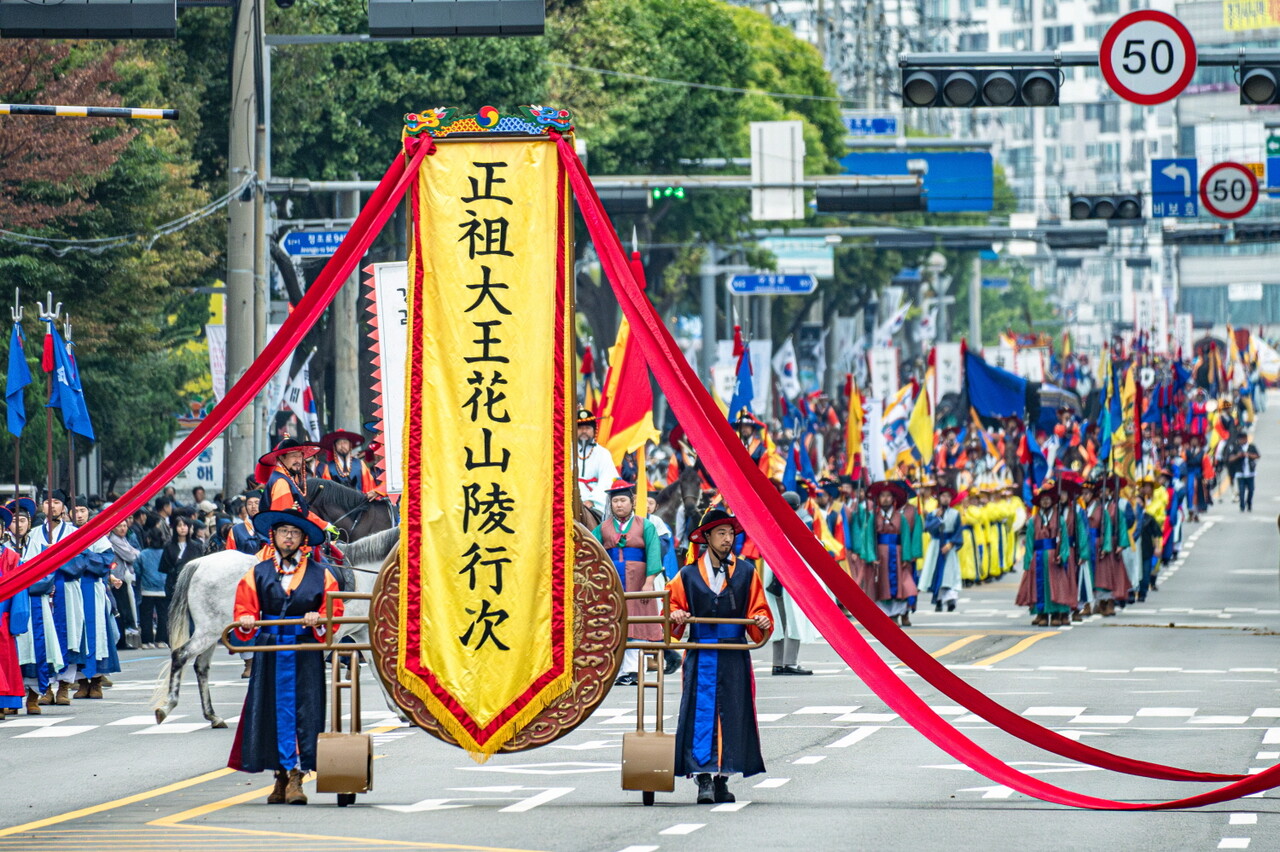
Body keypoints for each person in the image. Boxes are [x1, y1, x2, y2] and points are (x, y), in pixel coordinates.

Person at [228, 508, 344, 806]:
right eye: (283, 532)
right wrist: (246, 620)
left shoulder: (323, 573)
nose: (288, 537)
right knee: (268, 710)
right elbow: (244, 605)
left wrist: (318, 617)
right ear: (274, 536)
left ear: (304, 539)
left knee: (306, 711)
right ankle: (279, 775)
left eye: (294, 533)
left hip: (305, 650)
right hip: (271, 650)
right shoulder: (258, 571)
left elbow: (335, 610)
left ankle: (297, 776)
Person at [667, 507, 771, 805]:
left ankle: (723, 778)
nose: (728, 539)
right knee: (701, 713)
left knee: (733, 712)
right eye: (721, 533)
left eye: (730, 533)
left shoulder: (747, 571)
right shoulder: (686, 574)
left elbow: (759, 609)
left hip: (734, 653)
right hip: (701, 652)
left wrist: (760, 621)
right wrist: (676, 614)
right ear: (707, 537)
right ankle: (703, 779)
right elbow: (670, 607)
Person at [589, 479, 663, 686]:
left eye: (623, 500)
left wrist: (649, 582)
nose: (619, 505)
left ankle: (633, 669)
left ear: (631, 502)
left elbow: (654, 553)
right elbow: (590, 549)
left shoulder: (645, 525)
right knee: (615, 622)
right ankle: (620, 669)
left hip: (638, 580)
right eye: (615, 501)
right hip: (612, 581)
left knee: (637, 622)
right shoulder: (603, 528)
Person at [24, 490, 83, 706]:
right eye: (48, 502)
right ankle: (46, 686)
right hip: (43, 594)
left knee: (70, 636)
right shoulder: (35, 534)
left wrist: (56, 557)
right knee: (46, 637)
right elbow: (27, 564)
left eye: (57, 502)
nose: (52, 506)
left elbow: (80, 563)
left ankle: (65, 686)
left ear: (63, 507)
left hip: (67, 590)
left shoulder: (73, 533)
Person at [765, 493, 815, 675]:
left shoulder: (770, 522)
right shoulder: (800, 524)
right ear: (798, 505)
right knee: (794, 620)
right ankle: (790, 663)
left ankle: (777, 663)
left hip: (772, 578)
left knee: (779, 621)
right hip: (791, 577)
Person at [1015, 480, 1076, 627]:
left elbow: (1064, 541)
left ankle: (1055, 613)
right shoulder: (1033, 521)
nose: (1045, 502)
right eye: (1043, 500)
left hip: (1053, 558)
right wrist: (1028, 560)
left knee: (1056, 586)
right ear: (1039, 502)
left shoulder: (1059, 519)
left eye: (1048, 499)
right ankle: (1041, 614)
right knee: (1039, 587)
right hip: (1038, 558)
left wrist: (1063, 555)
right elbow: (1029, 542)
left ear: (1052, 502)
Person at [864, 480, 921, 627]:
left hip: (897, 552)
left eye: (888, 496)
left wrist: (906, 557)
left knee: (901, 584)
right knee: (882, 584)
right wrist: (871, 556)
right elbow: (869, 538)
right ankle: (885, 615)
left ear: (893, 499)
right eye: (882, 496)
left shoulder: (900, 517)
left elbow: (905, 538)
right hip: (881, 555)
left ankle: (897, 613)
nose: (885, 499)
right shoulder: (873, 517)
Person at [255, 438, 333, 539]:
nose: (298, 461)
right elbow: (285, 519)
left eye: (300, 456)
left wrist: (324, 525)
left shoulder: (287, 478)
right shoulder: (281, 482)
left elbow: (300, 511)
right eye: (293, 456)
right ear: (281, 458)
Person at [0, 512, 28, 716]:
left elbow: (18, 589)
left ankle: (6, 700)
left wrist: (17, 618)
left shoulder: (10, 557)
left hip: (3, 614)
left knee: (6, 658)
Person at [920, 483, 963, 613]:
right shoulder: (933, 514)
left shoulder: (955, 514)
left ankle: (950, 600)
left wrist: (951, 544)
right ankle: (938, 600)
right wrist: (937, 518)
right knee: (936, 572)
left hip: (948, 546)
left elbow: (958, 531)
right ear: (939, 498)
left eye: (948, 496)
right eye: (943, 496)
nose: (945, 499)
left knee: (949, 573)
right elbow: (928, 528)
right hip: (936, 545)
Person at [575, 409, 619, 519]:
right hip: (570, 498)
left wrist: (592, 500)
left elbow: (607, 480)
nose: (584, 431)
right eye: (580, 428)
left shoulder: (603, 453)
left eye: (587, 428)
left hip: (596, 502)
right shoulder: (567, 451)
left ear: (594, 431)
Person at [317, 430, 381, 499]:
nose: (342, 446)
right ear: (334, 447)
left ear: (350, 445)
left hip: (359, 504)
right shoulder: (328, 467)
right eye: (339, 443)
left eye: (345, 443)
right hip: (338, 506)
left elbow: (368, 487)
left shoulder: (360, 464)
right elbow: (327, 492)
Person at [135, 529, 168, 648]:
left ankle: (146, 641)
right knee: (163, 615)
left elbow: (137, 569)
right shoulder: (165, 553)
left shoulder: (143, 554)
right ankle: (161, 640)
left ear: (148, 539)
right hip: (163, 588)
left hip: (147, 589)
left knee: (146, 616)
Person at [1229, 431, 1260, 512]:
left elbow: (1257, 456)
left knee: (1251, 489)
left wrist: (1248, 455)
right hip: (1240, 473)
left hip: (1250, 473)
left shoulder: (1251, 447)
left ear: (1246, 438)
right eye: (1240, 439)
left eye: (1243, 439)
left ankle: (1249, 503)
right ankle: (1242, 506)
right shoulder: (1236, 448)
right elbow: (1230, 459)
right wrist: (1238, 456)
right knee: (1241, 490)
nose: (1241, 441)